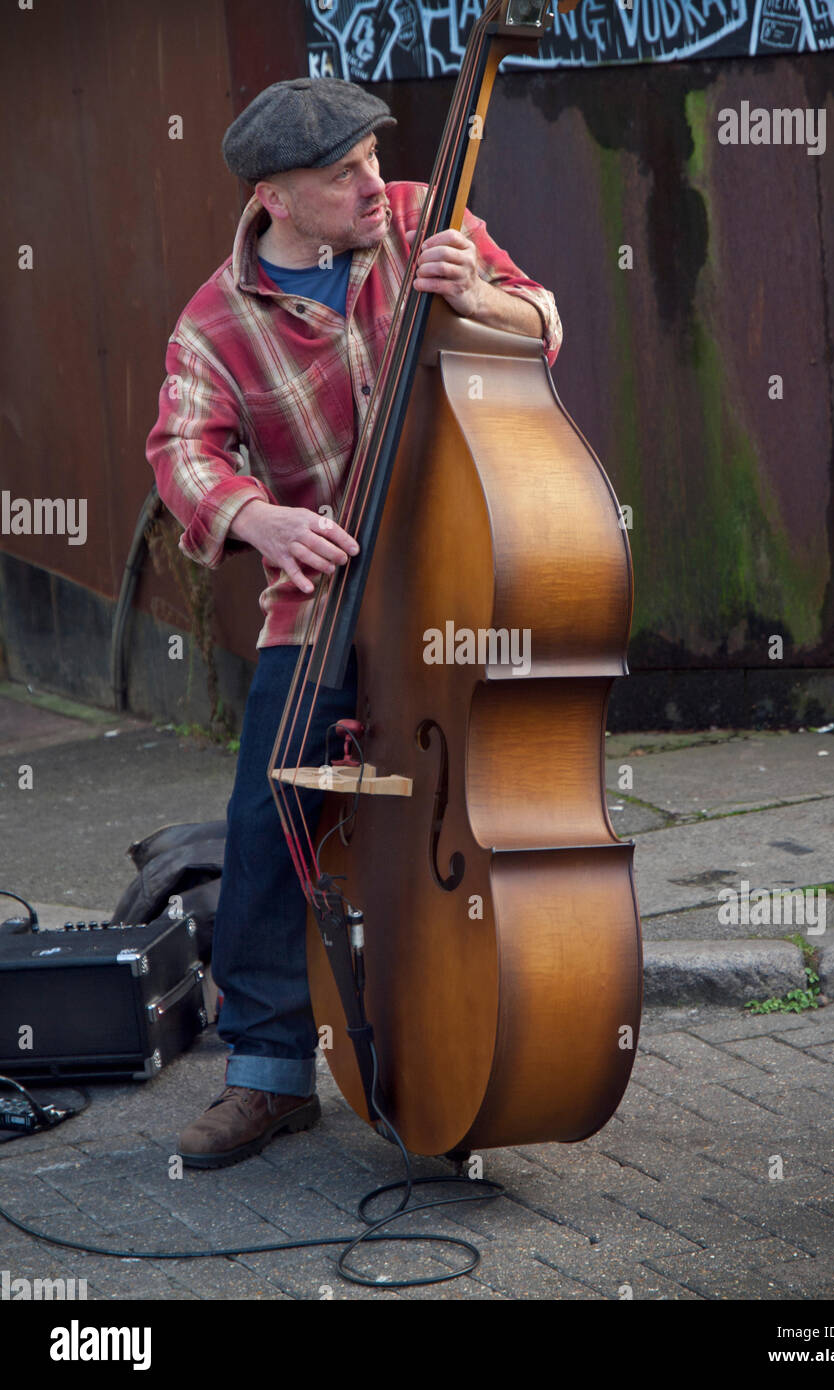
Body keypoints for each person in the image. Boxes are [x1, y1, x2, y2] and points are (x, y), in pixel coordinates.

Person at [146, 76, 562, 1168]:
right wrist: (257, 520)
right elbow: (183, 452)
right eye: (343, 175)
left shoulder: (429, 217)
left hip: (464, 570)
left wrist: (478, 293)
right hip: (324, 601)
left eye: (374, 159)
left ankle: (525, 1016)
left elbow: (541, 320)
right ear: (274, 197)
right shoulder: (215, 319)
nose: (375, 185)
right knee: (267, 812)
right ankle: (270, 1073)